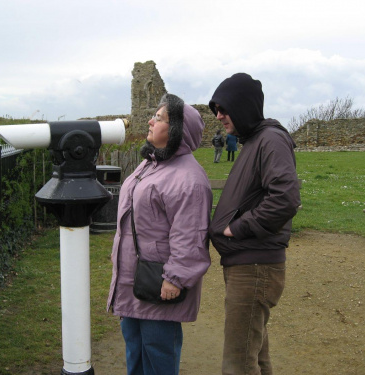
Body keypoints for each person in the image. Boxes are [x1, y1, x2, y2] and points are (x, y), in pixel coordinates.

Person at [107, 93, 212, 375]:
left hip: (159, 282)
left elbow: (191, 234)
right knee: (135, 349)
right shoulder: (150, 163)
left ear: (178, 130)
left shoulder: (188, 178)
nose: (151, 121)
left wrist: (176, 278)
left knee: (158, 355)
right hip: (133, 277)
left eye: (160, 118)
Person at [207, 73, 301, 375]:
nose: (219, 116)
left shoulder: (271, 140)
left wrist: (239, 227)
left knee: (238, 362)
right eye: (216, 109)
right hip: (247, 264)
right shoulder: (254, 141)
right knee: (255, 356)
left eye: (223, 108)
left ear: (244, 106)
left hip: (255, 268)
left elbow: (285, 197)